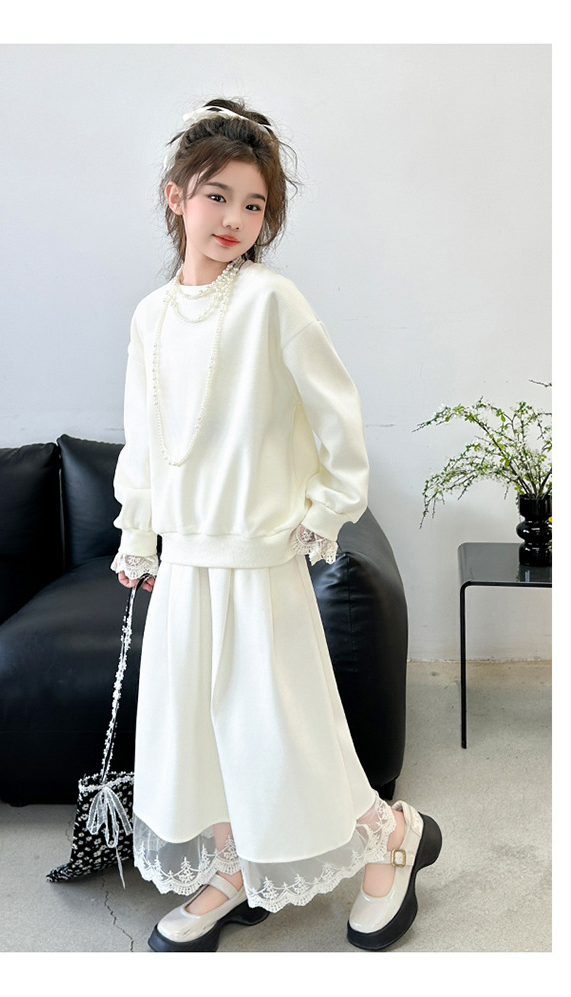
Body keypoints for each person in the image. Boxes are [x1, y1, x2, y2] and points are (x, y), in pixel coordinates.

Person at [111, 97, 441, 953]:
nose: (235, 219)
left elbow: (339, 419)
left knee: (284, 732)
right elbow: (143, 439)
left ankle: (392, 834)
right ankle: (232, 865)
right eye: (217, 195)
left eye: (254, 205)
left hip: (259, 561)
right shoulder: (150, 317)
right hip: (186, 563)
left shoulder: (272, 301)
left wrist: (322, 513)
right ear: (177, 195)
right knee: (198, 734)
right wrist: (138, 532)